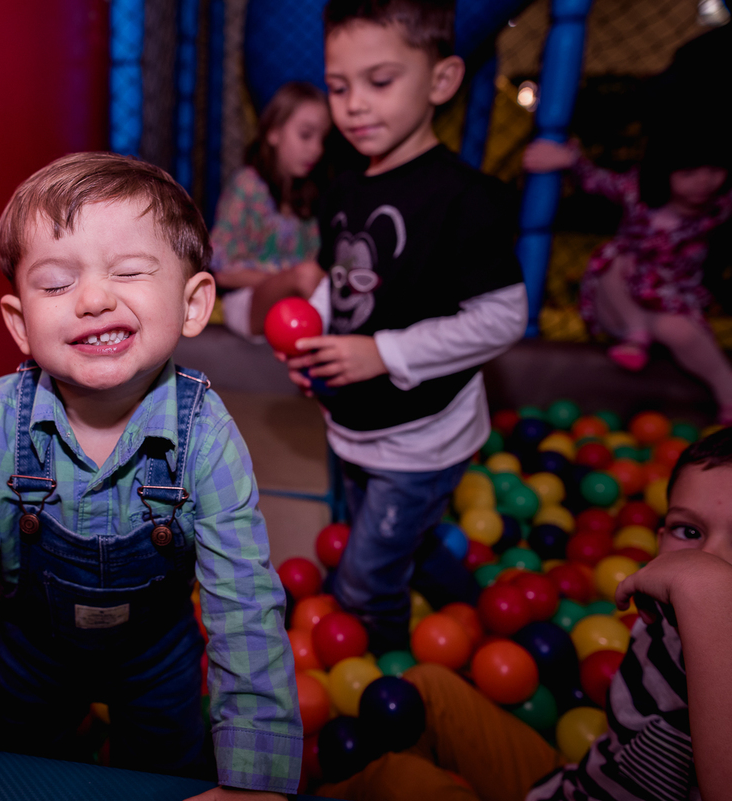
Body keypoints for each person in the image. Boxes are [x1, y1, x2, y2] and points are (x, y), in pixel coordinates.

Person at [0, 152, 302, 801]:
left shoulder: (206, 436)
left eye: (128, 271)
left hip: (159, 655)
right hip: (35, 653)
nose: (93, 298)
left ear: (193, 302)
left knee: (167, 773)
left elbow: (244, 603)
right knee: (22, 773)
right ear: (19, 322)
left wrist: (255, 777)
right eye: (58, 283)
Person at [280, 0, 528, 652]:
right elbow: (344, 293)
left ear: (441, 81)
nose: (355, 104)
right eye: (339, 86)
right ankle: (469, 599)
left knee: (363, 582)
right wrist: (318, 349)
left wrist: (382, 354)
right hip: (354, 427)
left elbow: (504, 317)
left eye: (380, 81)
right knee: (388, 544)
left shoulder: (463, 200)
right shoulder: (343, 191)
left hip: (423, 439)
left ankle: (388, 679)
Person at [314, 426, 732, 801]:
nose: (706, 561)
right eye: (689, 532)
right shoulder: (657, 619)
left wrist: (711, 597)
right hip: (578, 785)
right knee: (425, 688)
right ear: (659, 540)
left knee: (399, 781)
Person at [523, 135, 732, 424]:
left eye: (714, 171)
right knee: (616, 257)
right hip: (621, 301)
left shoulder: (719, 206)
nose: (704, 182)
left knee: (681, 332)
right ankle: (636, 334)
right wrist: (569, 159)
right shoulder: (637, 192)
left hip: (670, 300)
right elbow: (597, 180)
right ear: (662, 173)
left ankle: (728, 395)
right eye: (688, 174)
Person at [210, 81, 333, 340]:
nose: (317, 149)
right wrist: (286, 278)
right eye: (305, 135)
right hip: (248, 301)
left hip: (300, 302)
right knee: (307, 275)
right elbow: (222, 271)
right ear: (274, 132)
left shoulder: (314, 194)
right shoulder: (248, 185)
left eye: (323, 139)